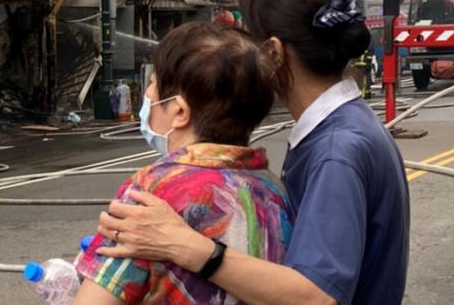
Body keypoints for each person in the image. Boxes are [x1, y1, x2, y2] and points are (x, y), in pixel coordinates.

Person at [95, 0, 410, 305]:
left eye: (250, 43)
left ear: (273, 52)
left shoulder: (336, 149)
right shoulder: (346, 128)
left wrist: (183, 244)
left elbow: (316, 296)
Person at [73, 22, 293, 305]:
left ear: (179, 111)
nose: (148, 97)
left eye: (152, 86)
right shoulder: (274, 189)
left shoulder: (152, 191)